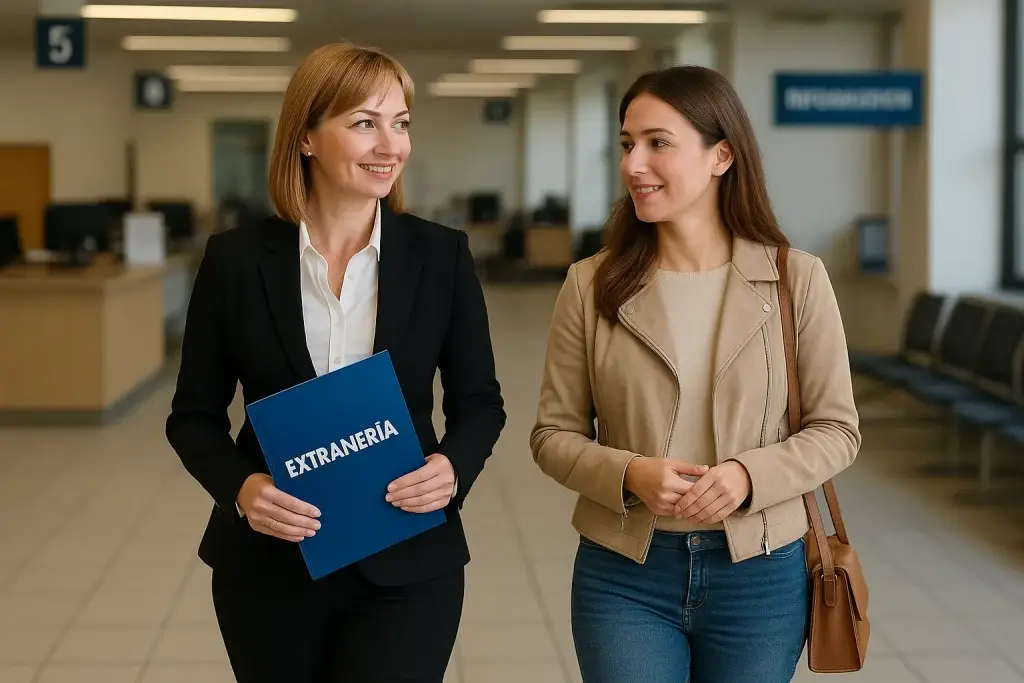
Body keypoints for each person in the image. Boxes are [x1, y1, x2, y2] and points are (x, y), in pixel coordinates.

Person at [166, 42, 506, 683]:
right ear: (306, 138)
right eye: (364, 123)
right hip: (272, 561)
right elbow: (193, 418)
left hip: (407, 554)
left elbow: (480, 404)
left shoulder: (441, 257)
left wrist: (452, 468)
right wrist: (242, 489)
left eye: (401, 123)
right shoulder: (237, 261)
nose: (392, 145)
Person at [529, 65, 861, 683]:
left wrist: (747, 475)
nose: (634, 164)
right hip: (625, 569)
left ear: (721, 155)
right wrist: (628, 472)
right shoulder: (590, 284)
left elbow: (837, 430)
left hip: (760, 574)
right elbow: (552, 436)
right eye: (628, 144)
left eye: (659, 143)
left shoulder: (797, 279)